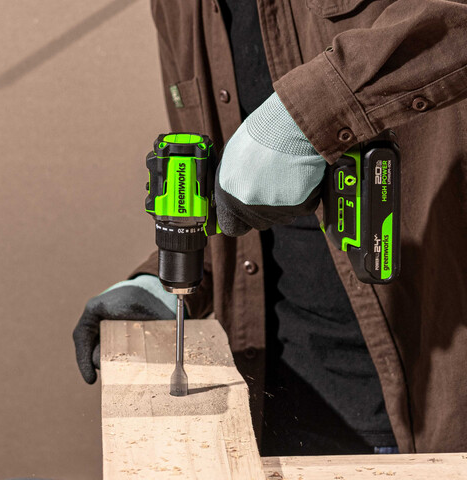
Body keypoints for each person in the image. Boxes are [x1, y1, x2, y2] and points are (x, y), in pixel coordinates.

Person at [73, 0, 467, 455]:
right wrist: (167, 279)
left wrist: (310, 113)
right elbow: (220, 187)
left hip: (424, 397)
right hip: (269, 405)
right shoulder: (177, 7)